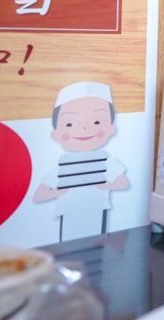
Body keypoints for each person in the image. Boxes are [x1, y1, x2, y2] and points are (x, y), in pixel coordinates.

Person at [33, 81, 129, 241]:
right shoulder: (63, 165)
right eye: (69, 124)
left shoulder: (105, 160)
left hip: (97, 208)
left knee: (96, 244)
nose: (84, 129)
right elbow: (39, 195)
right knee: (69, 246)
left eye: (96, 122)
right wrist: (59, 192)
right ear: (56, 134)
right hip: (69, 211)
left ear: (111, 129)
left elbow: (123, 183)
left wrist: (108, 185)